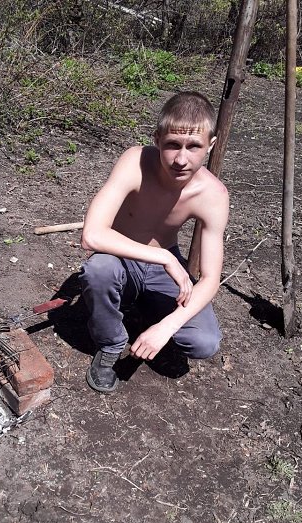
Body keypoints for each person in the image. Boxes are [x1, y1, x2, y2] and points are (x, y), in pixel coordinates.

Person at [79, 91, 229, 393]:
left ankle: (151, 313)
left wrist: (167, 326)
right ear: (157, 139)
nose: (181, 159)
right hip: (122, 255)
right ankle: (110, 342)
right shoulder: (135, 161)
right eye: (173, 144)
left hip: (163, 270)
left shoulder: (213, 195)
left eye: (194, 146)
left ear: (210, 145)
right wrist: (166, 258)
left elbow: (211, 278)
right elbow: (92, 235)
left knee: (203, 341)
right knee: (98, 271)